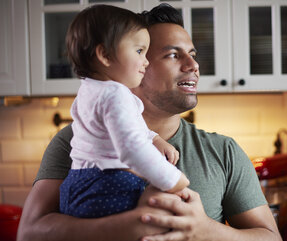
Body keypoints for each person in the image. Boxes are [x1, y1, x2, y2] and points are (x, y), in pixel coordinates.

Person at [17, 3, 283, 241]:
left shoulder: (223, 152)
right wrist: (139, 224)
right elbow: (29, 237)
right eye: (172, 55)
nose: (193, 65)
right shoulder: (75, 141)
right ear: (135, 65)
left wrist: (208, 232)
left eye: (192, 54)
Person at [58, 4, 189, 219]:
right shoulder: (115, 94)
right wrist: (173, 179)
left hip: (79, 183)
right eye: (139, 51)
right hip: (107, 186)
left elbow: (123, 128)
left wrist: (154, 138)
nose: (145, 61)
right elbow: (131, 149)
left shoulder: (89, 90)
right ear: (105, 55)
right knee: (160, 222)